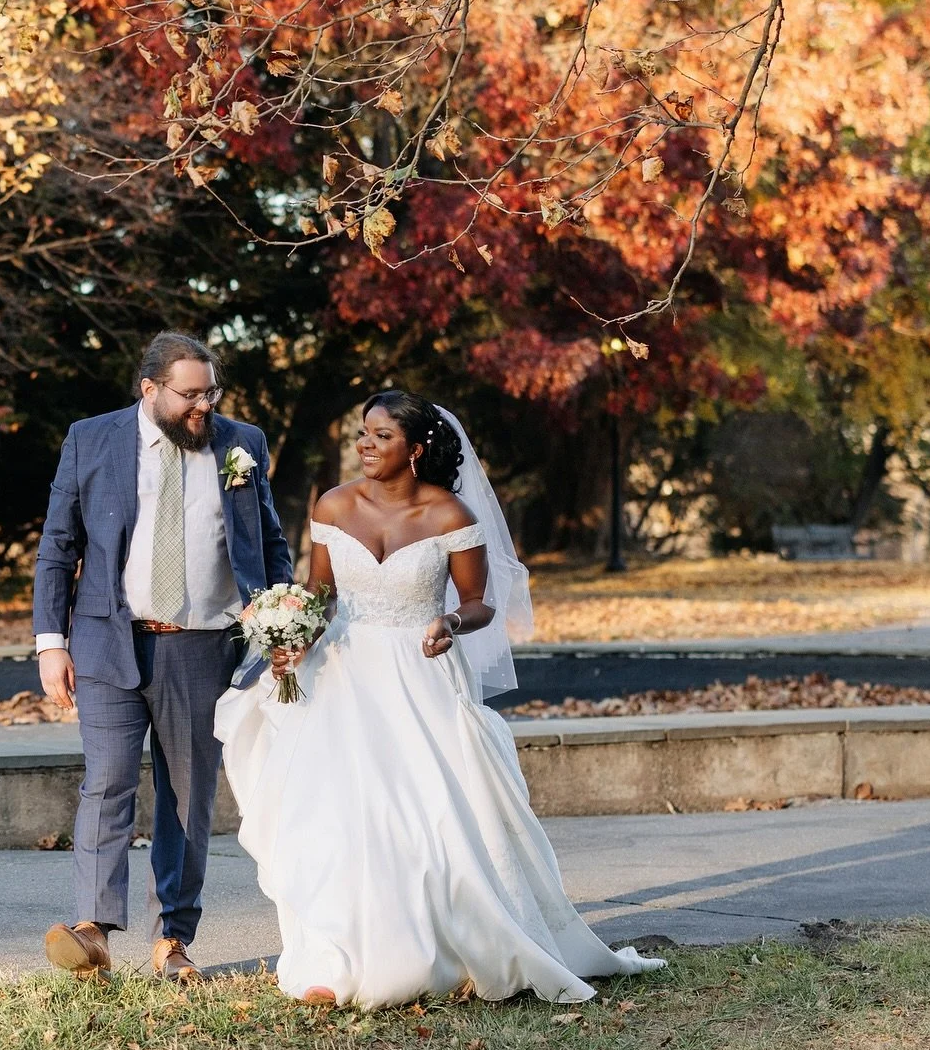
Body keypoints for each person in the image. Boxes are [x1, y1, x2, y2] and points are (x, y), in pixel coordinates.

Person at [215, 390, 664, 1009]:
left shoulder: (450, 515)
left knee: (431, 817)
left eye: (381, 436)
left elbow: (481, 602)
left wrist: (451, 623)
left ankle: (452, 945)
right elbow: (318, 593)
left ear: (416, 449)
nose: (365, 445)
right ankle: (332, 959)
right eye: (362, 433)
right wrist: (291, 639)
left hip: (420, 675)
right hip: (344, 676)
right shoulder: (334, 505)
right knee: (338, 817)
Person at [35, 331, 292, 982]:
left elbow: (269, 542)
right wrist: (51, 643)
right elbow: (58, 547)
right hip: (107, 639)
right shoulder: (91, 440)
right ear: (149, 389)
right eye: (190, 394)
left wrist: (278, 619)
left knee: (187, 798)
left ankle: (173, 940)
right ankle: (92, 930)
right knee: (108, 781)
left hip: (204, 647)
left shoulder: (242, 444)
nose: (204, 405)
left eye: (212, 391)